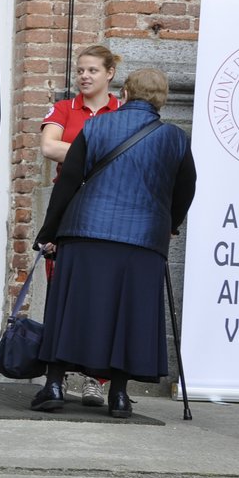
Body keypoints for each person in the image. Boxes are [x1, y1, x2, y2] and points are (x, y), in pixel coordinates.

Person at [32, 68, 196, 418]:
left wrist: (49, 231)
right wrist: (170, 226)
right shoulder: (176, 138)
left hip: (86, 230)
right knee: (129, 315)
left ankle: (56, 384)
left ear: (124, 94)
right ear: (163, 100)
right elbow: (186, 189)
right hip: (143, 240)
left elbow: (68, 182)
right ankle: (119, 395)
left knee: (71, 308)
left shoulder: (96, 127)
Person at [39, 44, 122, 407]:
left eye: (92, 70)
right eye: (80, 71)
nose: (84, 77)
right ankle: (57, 376)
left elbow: (62, 148)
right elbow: (47, 147)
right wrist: (101, 153)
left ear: (110, 74)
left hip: (108, 213)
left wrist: (72, 150)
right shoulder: (64, 107)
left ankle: (95, 379)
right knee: (63, 294)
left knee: (102, 297)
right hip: (68, 208)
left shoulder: (121, 109)